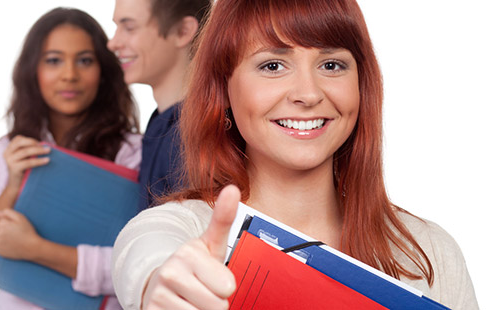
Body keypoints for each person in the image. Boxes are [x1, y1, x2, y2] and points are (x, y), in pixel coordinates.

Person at [111, 0, 479, 309]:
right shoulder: (180, 230)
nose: (308, 93)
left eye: (331, 65)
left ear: (361, 86)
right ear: (224, 89)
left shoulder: (430, 251)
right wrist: (161, 285)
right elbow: (147, 260)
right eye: (273, 65)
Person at [0, 7, 141, 310]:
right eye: (53, 60)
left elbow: (137, 268)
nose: (69, 75)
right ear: (34, 70)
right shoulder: (11, 149)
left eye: (84, 60)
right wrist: (13, 186)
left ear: (104, 71)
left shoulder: (133, 152)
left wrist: (35, 249)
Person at [108, 0, 211, 210]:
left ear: (183, 31)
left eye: (129, 27)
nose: (113, 43)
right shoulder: (162, 124)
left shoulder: (196, 135)